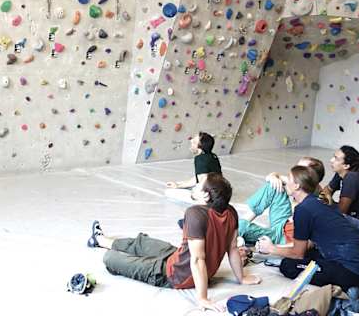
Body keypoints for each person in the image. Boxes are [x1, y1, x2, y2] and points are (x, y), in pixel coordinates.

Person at [87, 173, 261, 311]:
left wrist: (202, 298)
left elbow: (198, 260)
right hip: (178, 256)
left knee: (110, 259)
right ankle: (100, 239)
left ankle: (105, 246)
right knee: (142, 242)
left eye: (199, 185)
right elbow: (231, 249)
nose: (195, 185)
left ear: (206, 196)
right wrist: (241, 277)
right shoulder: (230, 211)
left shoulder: (195, 213)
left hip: (175, 275)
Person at [257, 165, 359, 291]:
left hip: (353, 271)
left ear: (297, 186)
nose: (286, 183)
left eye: (289, 180)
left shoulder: (302, 210)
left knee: (288, 266)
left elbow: (297, 255)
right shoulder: (318, 202)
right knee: (309, 253)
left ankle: (350, 290)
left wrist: (271, 248)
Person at [239, 156, 325, 246]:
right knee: (275, 185)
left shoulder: (316, 203)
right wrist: (273, 177)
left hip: (283, 237)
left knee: (240, 227)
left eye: (300, 169)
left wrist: (273, 248)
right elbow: (276, 176)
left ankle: (240, 229)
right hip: (283, 224)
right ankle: (244, 221)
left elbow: (304, 245)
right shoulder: (301, 182)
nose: (295, 170)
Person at [164, 132, 221, 204]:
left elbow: (203, 179)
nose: (191, 141)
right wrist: (178, 185)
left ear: (200, 148)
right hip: (219, 189)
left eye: (194, 142)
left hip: (210, 194)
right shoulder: (212, 156)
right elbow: (198, 178)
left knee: (168, 192)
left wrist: (196, 195)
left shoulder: (200, 159)